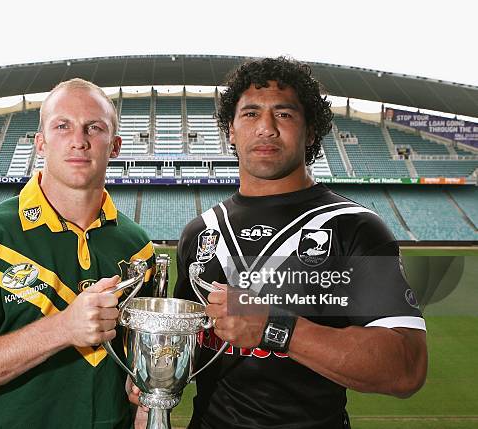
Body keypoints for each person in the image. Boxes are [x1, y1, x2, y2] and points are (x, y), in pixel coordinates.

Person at [174, 57, 427, 429]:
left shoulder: (354, 228)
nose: (266, 128)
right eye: (250, 114)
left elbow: (407, 366)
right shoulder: (200, 232)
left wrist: (275, 327)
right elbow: (185, 353)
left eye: (285, 114)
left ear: (310, 133)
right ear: (230, 130)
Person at [0, 78, 154, 429]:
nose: (78, 141)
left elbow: (139, 369)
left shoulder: (138, 248)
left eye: (94, 128)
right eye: (62, 126)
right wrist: (64, 328)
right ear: (41, 143)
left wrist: (143, 393)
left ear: (115, 146)